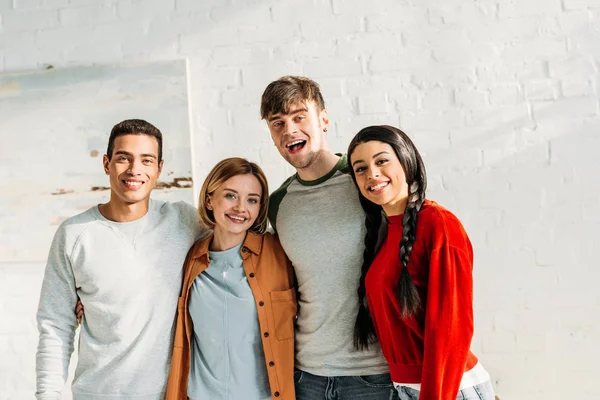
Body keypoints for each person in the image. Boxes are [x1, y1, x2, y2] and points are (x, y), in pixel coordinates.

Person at [36, 119, 208, 400]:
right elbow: (55, 325)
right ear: (106, 164)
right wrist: (47, 394)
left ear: (159, 169)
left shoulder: (184, 221)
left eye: (146, 160)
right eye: (123, 158)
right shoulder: (74, 235)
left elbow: (236, 237)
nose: (134, 170)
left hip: (172, 393)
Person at [261, 76, 397, 399]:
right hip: (306, 377)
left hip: (373, 376)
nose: (289, 130)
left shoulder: (367, 180)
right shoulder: (278, 204)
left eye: (298, 117)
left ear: (323, 120)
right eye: (277, 123)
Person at [347, 125, 496, 400]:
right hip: (407, 388)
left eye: (381, 161)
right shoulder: (386, 230)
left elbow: (452, 327)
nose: (372, 174)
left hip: (449, 390)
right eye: (360, 168)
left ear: (407, 160)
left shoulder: (439, 224)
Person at [166, 157, 296, 400]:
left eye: (252, 200)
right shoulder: (190, 258)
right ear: (209, 199)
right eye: (230, 196)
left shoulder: (279, 253)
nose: (241, 208)